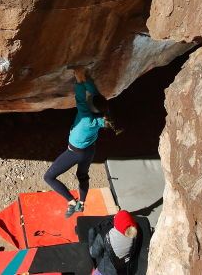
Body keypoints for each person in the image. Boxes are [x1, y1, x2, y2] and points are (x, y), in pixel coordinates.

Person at [43, 65, 119, 218]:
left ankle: (71, 201)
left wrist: (79, 78)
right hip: (89, 151)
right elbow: (94, 95)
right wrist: (82, 77)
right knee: (82, 175)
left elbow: (80, 98)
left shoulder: (85, 117)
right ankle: (82, 202)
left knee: (48, 177)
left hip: (74, 153)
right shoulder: (103, 113)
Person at [88, 210, 141, 275]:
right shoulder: (136, 233)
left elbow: (93, 254)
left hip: (105, 271)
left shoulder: (105, 235)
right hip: (125, 270)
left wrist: (91, 233)